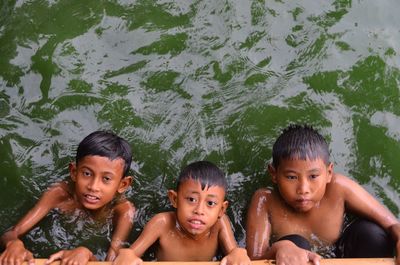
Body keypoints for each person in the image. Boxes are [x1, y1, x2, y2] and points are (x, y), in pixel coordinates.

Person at [246, 124, 400, 265]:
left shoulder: (339, 188)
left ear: (329, 173)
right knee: (295, 243)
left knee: (372, 234)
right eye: (291, 177)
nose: (303, 189)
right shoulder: (265, 201)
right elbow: (252, 260)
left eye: (313, 176)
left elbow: (392, 224)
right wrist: (281, 248)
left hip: (343, 256)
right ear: (274, 174)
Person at [0, 130, 135, 265]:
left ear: (123, 184)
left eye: (106, 179)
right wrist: (14, 244)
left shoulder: (123, 210)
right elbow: (11, 233)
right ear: (74, 172)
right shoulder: (59, 194)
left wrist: (87, 254)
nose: (94, 186)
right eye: (87, 173)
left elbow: (113, 260)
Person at [113, 160, 250, 265]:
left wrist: (239, 253)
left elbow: (234, 253)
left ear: (221, 209)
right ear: (175, 199)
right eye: (191, 199)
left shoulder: (219, 223)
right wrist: (127, 254)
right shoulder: (162, 223)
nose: (199, 211)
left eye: (210, 203)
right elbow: (131, 254)